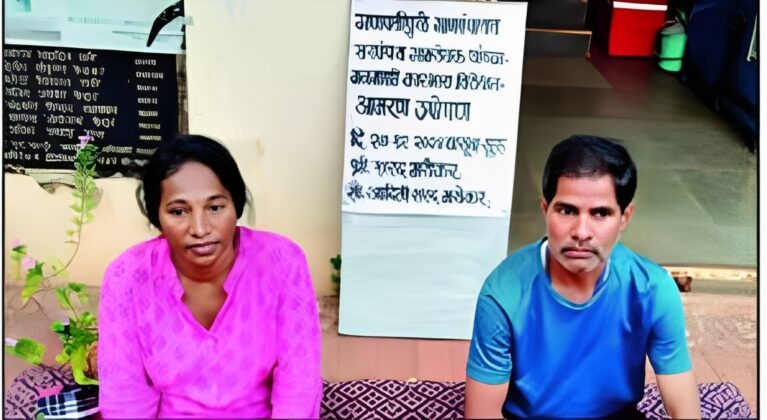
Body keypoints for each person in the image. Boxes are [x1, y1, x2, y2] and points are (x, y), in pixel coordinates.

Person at [464, 135, 700, 419]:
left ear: (624, 218)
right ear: (545, 210)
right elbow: (482, 414)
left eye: (600, 213)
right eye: (567, 210)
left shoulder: (653, 289)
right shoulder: (502, 294)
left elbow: (683, 405)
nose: (581, 232)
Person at [97, 134, 321, 418]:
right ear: (157, 216)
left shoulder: (282, 262)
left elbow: (298, 385)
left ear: (236, 205)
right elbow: (124, 396)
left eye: (215, 207)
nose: (200, 229)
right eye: (179, 211)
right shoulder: (127, 276)